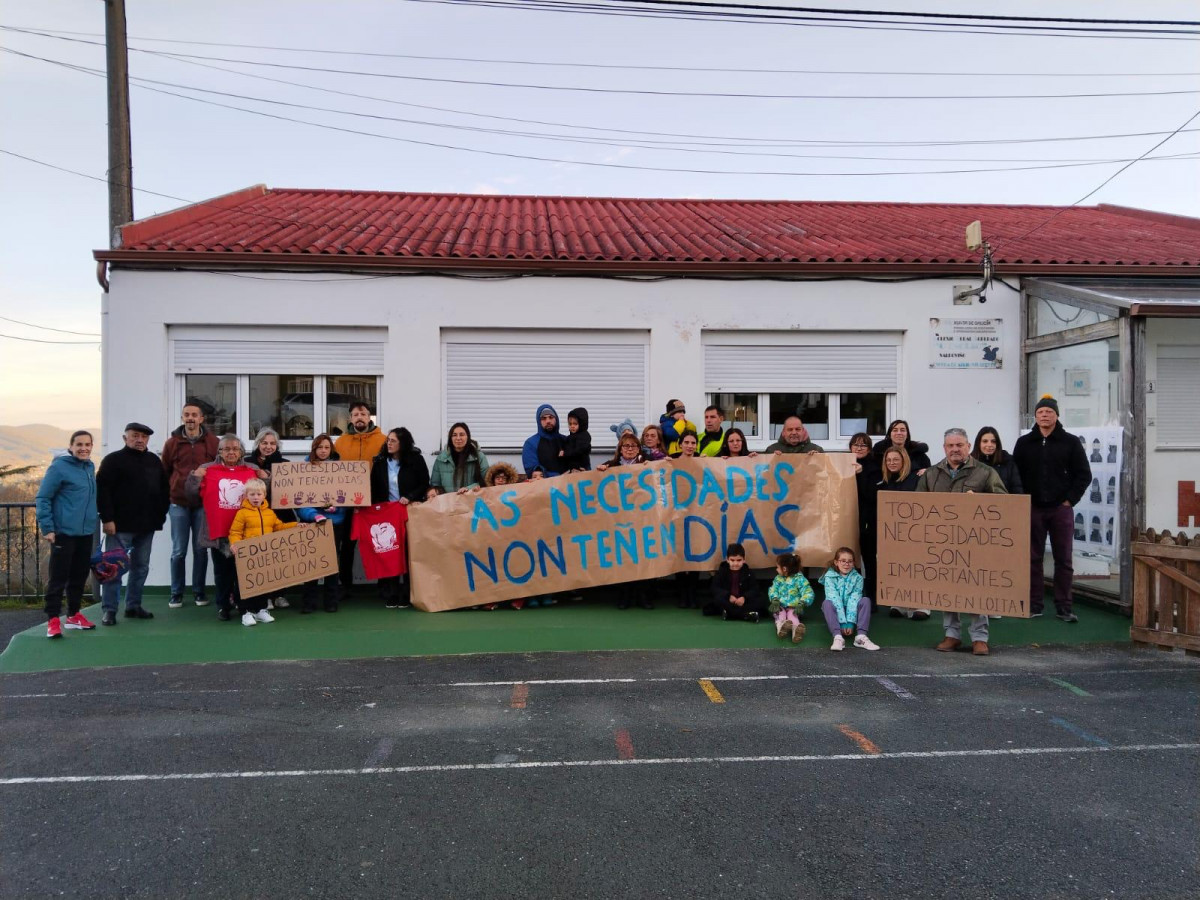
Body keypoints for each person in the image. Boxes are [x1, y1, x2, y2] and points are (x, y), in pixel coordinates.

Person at [918, 427, 1008, 655]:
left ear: (968, 446)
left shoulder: (985, 472)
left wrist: (980, 501)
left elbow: (1005, 503)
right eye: (951, 445)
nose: (955, 449)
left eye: (960, 445)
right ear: (944, 448)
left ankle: (979, 637)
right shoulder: (932, 474)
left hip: (975, 543)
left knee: (976, 587)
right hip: (942, 543)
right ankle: (952, 635)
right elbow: (916, 505)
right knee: (948, 587)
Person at [1012, 395, 1092, 623]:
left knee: (1064, 559)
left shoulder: (1071, 442)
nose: (1044, 415)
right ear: (1035, 417)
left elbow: (1083, 475)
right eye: (1040, 412)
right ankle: (1035, 604)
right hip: (1033, 508)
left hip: (1060, 509)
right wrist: (1022, 500)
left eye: (1049, 411)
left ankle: (1064, 607)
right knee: (1032, 558)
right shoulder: (1024, 443)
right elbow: (1015, 473)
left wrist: (1069, 500)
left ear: (1057, 415)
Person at [95, 422, 170, 626]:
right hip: (119, 526)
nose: (140, 440)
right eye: (135, 435)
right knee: (113, 568)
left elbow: (164, 490)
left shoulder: (154, 461)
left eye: (144, 437)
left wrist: (161, 515)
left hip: (147, 525)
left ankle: (133, 606)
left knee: (141, 567)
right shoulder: (113, 461)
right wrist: (107, 519)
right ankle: (109, 610)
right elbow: (103, 491)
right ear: (125, 438)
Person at [188, 435, 269, 621]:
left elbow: (264, 494)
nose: (231, 452)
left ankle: (244, 607)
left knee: (243, 571)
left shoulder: (252, 469)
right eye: (227, 449)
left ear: (241, 452)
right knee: (222, 572)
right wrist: (195, 477)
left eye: (235, 449)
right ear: (220, 452)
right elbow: (191, 494)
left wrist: (266, 479)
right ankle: (223, 606)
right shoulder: (207, 470)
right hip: (219, 532)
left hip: (245, 532)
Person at [35, 431, 98, 638]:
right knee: (58, 577)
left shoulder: (89, 466)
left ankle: (73, 615)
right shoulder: (59, 467)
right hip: (63, 533)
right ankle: (53, 620)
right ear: (70, 446)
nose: (84, 448)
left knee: (79, 575)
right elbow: (43, 497)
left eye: (88, 444)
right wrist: (48, 528)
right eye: (79, 444)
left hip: (85, 532)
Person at [161, 403, 219, 610]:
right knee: (178, 551)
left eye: (194, 415)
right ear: (182, 417)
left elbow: (219, 468)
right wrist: (171, 492)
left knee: (200, 549)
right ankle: (176, 593)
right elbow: (165, 471)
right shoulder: (172, 443)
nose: (190, 418)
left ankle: (199, 592)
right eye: (187, 415)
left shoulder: (213, 442)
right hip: (178, 503)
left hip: (203, 504)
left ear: (202, 418)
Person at [370, 427, 430, 608]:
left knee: (408, 552)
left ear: (403, 443)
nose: (389, 443)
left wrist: (410, 496)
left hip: (409, 512)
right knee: (390, 552)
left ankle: (408, 592)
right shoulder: (380, 462)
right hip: (387, 515)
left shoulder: (416, 460)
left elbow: (424, 483)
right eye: (388, 440)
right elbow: (373, 487)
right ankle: (392, 592)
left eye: (393, 440)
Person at [333, 402, 387, 595]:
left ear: (369, 417)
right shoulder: (340, 442)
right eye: (355, 414)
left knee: (379, 543)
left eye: (363, 414)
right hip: (347, 503)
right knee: (347, 544)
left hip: (375, 500)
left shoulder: (383, 440)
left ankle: (384, 585)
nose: (359, 417)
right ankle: (345, 585)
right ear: (350, 418)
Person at [227, 478, 296, 626]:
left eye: (259, 494)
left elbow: (279, 527)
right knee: (245, 585)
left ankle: (261, 610)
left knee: (263, 584)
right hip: (247, 557)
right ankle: (246, 613)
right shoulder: (242, 513)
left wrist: (296, 525)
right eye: (252, 494)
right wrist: (234, 544)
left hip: (265, 557)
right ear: (246, 495)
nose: (256, 497)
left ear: (264, 495)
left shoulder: (270, 513)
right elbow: (235, 532)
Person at [876, 445, 930, 621]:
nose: (892, 463)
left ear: (904, 460)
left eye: (895, 460)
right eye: (888, 460)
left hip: (914, 532)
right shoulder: (883, 481)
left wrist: (929, 471)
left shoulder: (916, 477)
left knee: (917, 566)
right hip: (891, 533)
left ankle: (921, 605)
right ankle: (898, 603)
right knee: (896, 566)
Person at [295, 434, 346, 614]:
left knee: (332, 562)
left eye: (326, 447)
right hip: (312, 522)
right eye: (320, 447)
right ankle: (309, 602)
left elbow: (346, 495)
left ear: (331, 449)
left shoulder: (341, 470)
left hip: (335, 523)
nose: (323, 451)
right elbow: (299, 501)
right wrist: (313, 514)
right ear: (314, 449)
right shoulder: (304, 470)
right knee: (311, 563)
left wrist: (337, 507)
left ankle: (331, 601)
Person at [245, 426, 292, 609]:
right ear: (258, 444)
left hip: (279, 515)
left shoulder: (285, 465)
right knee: (260, 557)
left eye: (272, 443)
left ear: (277, 445)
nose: (268, 446)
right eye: (264, 443)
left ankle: (279, 595)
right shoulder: (247, 463)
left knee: (280, 556)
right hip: (256, 517)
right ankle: (262, 597)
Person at [819, 547, 879, 651]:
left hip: (852, 608)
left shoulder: (858, 578)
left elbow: (854, 598)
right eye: (843, 561)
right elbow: (834, 598)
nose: (846, 564)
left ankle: (860, 637)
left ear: (853, 563)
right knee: (827, 603)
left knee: (865, 601)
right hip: (836, 609)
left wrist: (850, 623)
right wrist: (842, 623)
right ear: (836, 562)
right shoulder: (829, 577)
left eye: (850, 561)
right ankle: (837, 638)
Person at [704, 543, 765, 621]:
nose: (735, 563)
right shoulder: (721, 571)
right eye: (732, 560)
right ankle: (745, 615)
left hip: (743, 602)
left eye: (739, 560)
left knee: (761, 599)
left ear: (744, 560)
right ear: (727, 560)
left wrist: (744, 598)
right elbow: (715, 588)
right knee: (717, 599)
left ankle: (730, 614)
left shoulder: (748, 572)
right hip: (728, 601)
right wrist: (728, 596)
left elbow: (755, 589)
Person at [429, 422, 490, 496]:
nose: (458, 438)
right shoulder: (441, 458)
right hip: (447, 504)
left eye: (462, 434)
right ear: (450, 438)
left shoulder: (479, 457)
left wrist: (469, 488)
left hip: (471, 502)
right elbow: (435, 484)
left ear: (468, 436)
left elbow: (487, 480)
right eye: (454, 435)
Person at [768, 552, 813, 642]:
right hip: (780, 605)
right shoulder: (778, 579)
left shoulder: (800, 579)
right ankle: (781, 626)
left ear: (784, 569)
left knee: (793, 615)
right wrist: (774, 599)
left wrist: (802, 602)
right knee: (779, 613)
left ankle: (796, 630)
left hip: (794, 607)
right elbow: (773, 589)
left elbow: (808, 591)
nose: (776, 570)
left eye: (777, 567)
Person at [972, 426, 1024, 495]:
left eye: (993, 441)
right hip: (977, 504)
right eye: (985, 441)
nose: (989, 445)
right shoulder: (970, 462)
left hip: (1005, 504)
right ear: (978, 443)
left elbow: (1017, 489)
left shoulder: (1007, 461)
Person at [521, 404, 566, 478]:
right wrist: (559, 477)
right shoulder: (530, 444)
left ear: (556, 419)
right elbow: (532, 471)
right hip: (543, 488)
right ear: (539, 421)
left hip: (568, 486)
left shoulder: (566, 441)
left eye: (551, 417)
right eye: (544, 418)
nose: (548, 421)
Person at [560, 407, 592, 472]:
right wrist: (562, 450)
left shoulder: (584, 436)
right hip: (572, 468)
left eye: (575, 424)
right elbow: (566, 447)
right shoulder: (569, 437)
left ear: (582, 424)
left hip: (582, 467)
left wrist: (565, 453)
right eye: (570, 424)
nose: (572, 426)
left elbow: (579, 450)